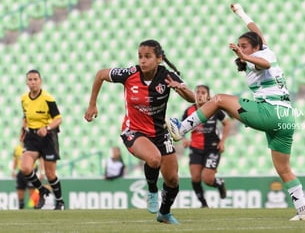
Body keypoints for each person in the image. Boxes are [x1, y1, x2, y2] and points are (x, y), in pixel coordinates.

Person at [166, 4, 305, 221]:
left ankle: (182, 128)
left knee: (219, 99)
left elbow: (262, 64)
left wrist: (244, 56)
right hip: (286, 118)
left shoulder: (261, 59)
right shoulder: (265, 49)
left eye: (245, 45)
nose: (241, 48)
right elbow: (256, 31)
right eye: (240, 46)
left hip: (270, 112)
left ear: (255, 47)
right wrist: (240, 12)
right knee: (284, 169)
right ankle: (304, 211)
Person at [84, 39, 195, 224]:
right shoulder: (130, 73)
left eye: (148, 57)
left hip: (160, 133)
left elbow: (191, 98)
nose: (142, 61)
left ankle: (164, 213)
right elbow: (100, 74)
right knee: (153, 158)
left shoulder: (167, 76)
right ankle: (152, 190)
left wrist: (180, 88)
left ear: (159, 59)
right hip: (134, 131)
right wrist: (92, 104)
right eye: (140, 56)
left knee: (173, 180)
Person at [20, 69, 65, 210]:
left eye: (35, 79)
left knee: (50, 174)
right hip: (32, 137)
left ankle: (60, 201)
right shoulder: (24, 99)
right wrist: (23, 128)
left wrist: (47, 128)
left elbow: (58, 119)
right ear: (27, 82)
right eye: (30, 80)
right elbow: (26, 115)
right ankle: (42, 190)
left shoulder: (47, 98)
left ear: (40, 81)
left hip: (48, 137)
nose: (32, 82)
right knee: (25, 168)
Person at [181, 84, 230, 208]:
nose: (200, 95)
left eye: (203, 92)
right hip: (195, 149)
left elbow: (227, 123)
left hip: (212, 148)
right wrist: (184, 139)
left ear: (208, 96)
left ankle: (219, 183)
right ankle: (204, 205)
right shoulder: (189, 111)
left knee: (207, 179)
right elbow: (181, 129)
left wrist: (222, 142)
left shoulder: (215, 109)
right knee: (195, 178)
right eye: (198, 92)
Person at [11, 128, 45, 209]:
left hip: (31, 171)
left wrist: (42, 171)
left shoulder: (33, 147)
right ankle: (21, 207)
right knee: (20, 192)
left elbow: (41, 159)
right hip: (21, 172)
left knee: (32, 194)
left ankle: (36, 208)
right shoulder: (17, 148)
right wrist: (13, 170)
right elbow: (15, 160)